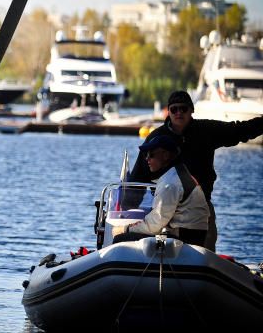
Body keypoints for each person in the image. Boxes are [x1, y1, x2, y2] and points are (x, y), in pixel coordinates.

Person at [128, 90, 263, 250]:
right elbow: (137, 178)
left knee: (204, 254)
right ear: (168, 112)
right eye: (174, 109)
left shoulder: (206, 130)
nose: (179, 113)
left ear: (192, 110)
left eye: (183, 109)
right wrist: (127, 211)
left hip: (200, 209)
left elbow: (239, 130)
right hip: (163, 206)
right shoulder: (156, 138)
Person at [113, 135, 209, 246]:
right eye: (146, 154)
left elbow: (156, 224)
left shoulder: (170, 182)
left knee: (120, 239)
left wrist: (125, 229)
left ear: (166, 155)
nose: (147, 158)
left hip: (183, 239)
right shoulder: (178, 173)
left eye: (151, 154)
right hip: (190, 236)